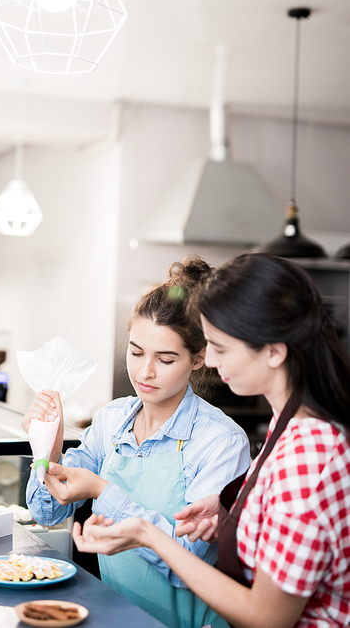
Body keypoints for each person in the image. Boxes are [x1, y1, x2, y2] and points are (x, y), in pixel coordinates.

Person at [72, 253, 350, 628]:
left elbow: (266, 618)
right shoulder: (285, 428)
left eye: (220, 347)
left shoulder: (309, 452)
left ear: (273, 351)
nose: (213, 362)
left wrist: (148, 534)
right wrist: (228, 517)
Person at [22, 256, 251, 628]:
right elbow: (47, 513)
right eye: (135, 351)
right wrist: (47, 447)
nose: (144, 372)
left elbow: (188, 560)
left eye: (165, 358)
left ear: (198, 359)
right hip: (117, 615)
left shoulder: (221, 442)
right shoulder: (113, 419)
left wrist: (101, 489)